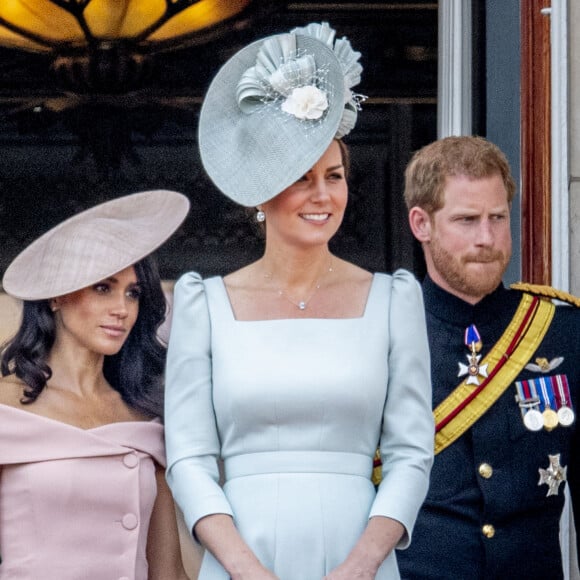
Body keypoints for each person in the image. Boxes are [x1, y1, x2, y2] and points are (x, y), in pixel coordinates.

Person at [164, 22, 434, 580]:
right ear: (262, 193)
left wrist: (360, 565)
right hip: (243, 558)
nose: (323, 195)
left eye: (334, 176)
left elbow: (411, 453)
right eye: (302, 178)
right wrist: (246, 570)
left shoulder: (392, 300)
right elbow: (188, 459)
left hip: (359, 558)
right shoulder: (204, 304)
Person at [396, 135, 580, 580]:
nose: (487, 237)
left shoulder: (560, 330)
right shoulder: (386, 329)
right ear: (421, 224)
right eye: (466, 219)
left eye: (498, 218)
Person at [0, 190, 191, 580]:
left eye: (133, 293)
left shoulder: (143, 420)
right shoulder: (6, 412)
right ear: (56, 296)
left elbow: (167, 573)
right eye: (103, 287)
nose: (122, 308)